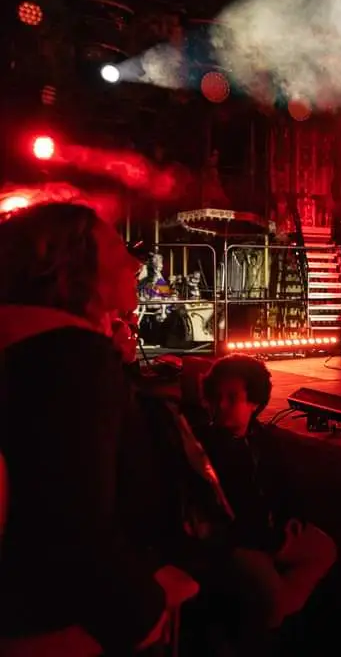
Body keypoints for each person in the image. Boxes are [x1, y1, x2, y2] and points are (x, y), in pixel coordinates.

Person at [0, 201, 198, 654]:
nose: (133, 263)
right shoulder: (73, 359)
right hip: (61, 619)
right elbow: (74, 526)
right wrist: (146, 608)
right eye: (116, 248)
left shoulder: (28, 348)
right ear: (73, 267)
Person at [196, 354, 337, 649]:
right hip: (237, 542)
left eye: (231, 397)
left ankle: (273, 623)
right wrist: (270, 540)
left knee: (324, 548)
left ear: (255, 402)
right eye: (217, 397)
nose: (221, 405)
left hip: (272, 533)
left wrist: (293, 516)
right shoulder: (207, 447)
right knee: (271, 596)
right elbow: (225, 513)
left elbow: (286, 483)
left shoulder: (264, 439)